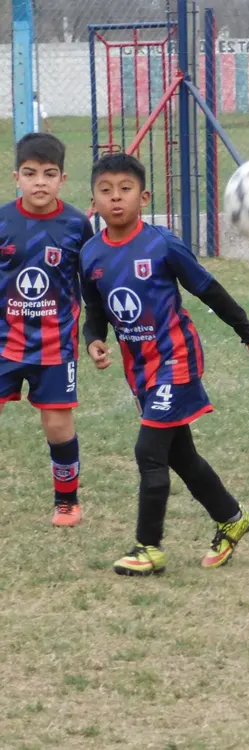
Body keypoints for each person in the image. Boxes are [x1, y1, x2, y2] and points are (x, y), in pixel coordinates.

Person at [81, 154, 249, 576]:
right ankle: (232, 517)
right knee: (180, 455)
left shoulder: (161, 243)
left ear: (143, 197)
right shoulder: (90, 254)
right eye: (105, 190)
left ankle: (148, 548)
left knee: (149, 451)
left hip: (176, 360)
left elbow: (209, 290)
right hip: (141, 371)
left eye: (125, 189)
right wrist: (93, 341)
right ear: (92, 201)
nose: (115, 198)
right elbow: (94, 309)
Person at [1, 133, 92, 526]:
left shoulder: (76, 224)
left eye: (49, 174)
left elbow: (93, 283)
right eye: (31, 173)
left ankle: (67, 502)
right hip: (3, 342)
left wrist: (97, 336)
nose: (40, 182)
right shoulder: (3, 220)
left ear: (62, 179)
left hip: (55, 345)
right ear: (16, 177)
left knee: (57, 425)